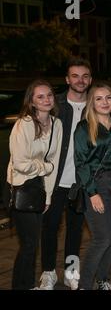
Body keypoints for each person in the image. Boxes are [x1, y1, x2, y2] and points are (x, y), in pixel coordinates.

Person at [39, 58, 92, 290]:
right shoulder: (56, 105)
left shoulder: (95, 104)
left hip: (80, 182)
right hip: (53, 181)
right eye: (75, 76)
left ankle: (71, 271)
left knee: (75, 229)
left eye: (85, 76)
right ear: (67, 79)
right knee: (49, 228)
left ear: (90, 79)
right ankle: (48, 272)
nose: (80, 80)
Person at [74, 84, 111, 290]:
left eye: (108, 97)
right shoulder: (84, 128)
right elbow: (81, 163)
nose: (105, 102)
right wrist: (92, 193)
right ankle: (84, 285)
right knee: (102, 238)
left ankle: (102, 279)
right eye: (99, 99)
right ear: (92, 103)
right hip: (95, 185)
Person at [8, 79, 63, 289]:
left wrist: (48, 195)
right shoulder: (25, 123)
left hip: (39, 188)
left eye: (49, 95)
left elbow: (55, 162)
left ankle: (28, 284)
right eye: (40, 96)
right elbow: (21, 164)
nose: (46, 99)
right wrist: (44, 168)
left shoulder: (57, 124)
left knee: (32, 243)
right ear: (31, 101)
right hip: (20, 186)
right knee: (29, 244)